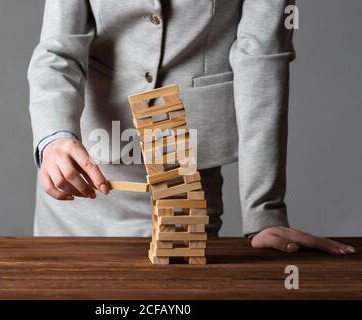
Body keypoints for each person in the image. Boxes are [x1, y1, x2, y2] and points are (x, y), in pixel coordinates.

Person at [28, 0, 355, 255]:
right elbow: (59, 50)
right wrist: (55, 137)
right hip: (81, 178)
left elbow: (262, 58)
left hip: (186, 185)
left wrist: (264, 213)